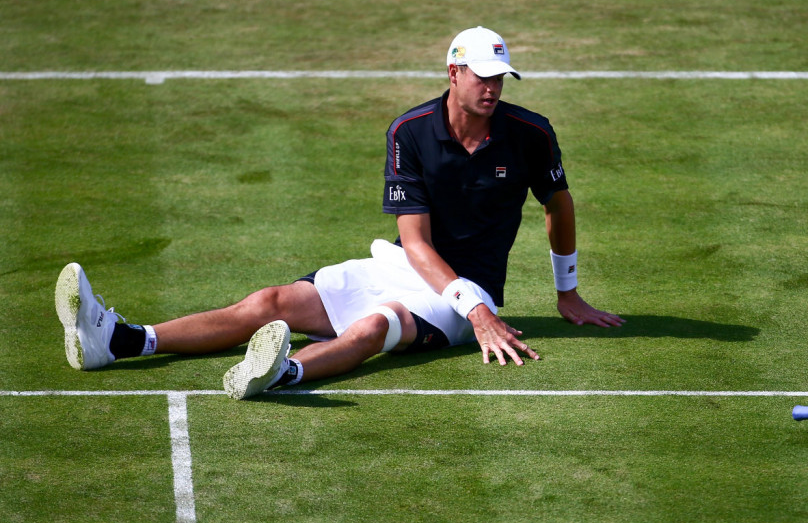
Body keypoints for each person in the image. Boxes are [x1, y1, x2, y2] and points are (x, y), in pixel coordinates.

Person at [55, 26, 624, 400]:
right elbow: (417, 245)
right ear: (453, 73)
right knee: (269, 302)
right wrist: (479, 314)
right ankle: (124, 341)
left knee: (372, 327)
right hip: (410, 267)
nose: (493, 87)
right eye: (482, 75)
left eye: (500, 77)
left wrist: (565, 292)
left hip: (460, 292)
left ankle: (285, 373)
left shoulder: (530, 134)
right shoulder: (409, 132)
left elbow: (559, 203)